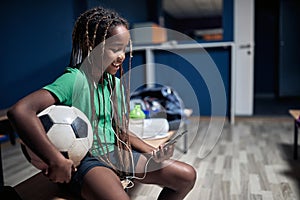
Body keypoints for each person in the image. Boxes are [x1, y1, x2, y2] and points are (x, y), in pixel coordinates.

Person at [7, 6, 196, 200]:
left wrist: (151, 150)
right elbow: (20, 111)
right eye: (115, 49)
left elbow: (120, 132)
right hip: (86, 162)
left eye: (124, 48)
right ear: (92, 45)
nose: (122, 55)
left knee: (186, 176)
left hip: (115, 153)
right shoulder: (74, 80)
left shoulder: (115, 84)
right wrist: (55, 159)